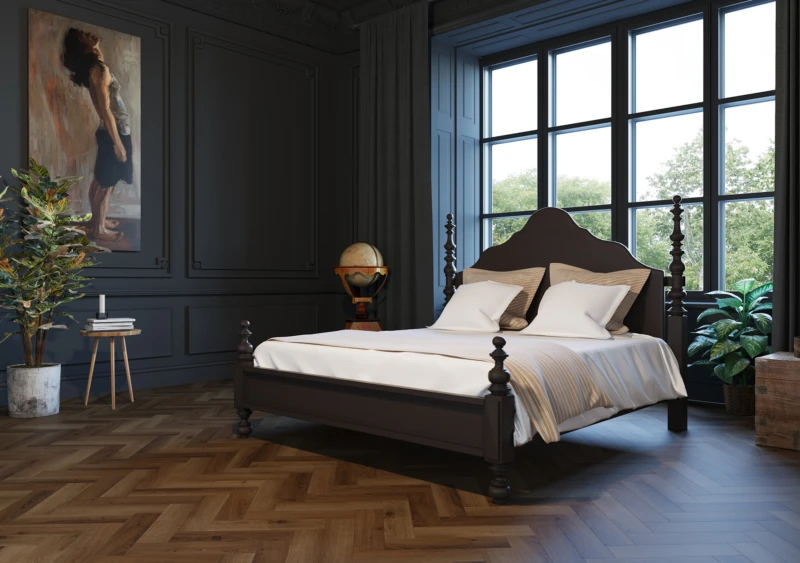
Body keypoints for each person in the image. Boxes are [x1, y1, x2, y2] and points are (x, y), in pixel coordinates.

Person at [62, 27, 131, 242]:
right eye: (85, 35)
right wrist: (118, 143)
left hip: (112, 129)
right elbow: (106, 110)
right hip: (114, 130)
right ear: (82, 44)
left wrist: (97, 48)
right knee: (105, 182)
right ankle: (99, 229)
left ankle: (97, 221)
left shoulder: (96, 66)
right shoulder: (99, 70)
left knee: (102, 180)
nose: (90, 34)